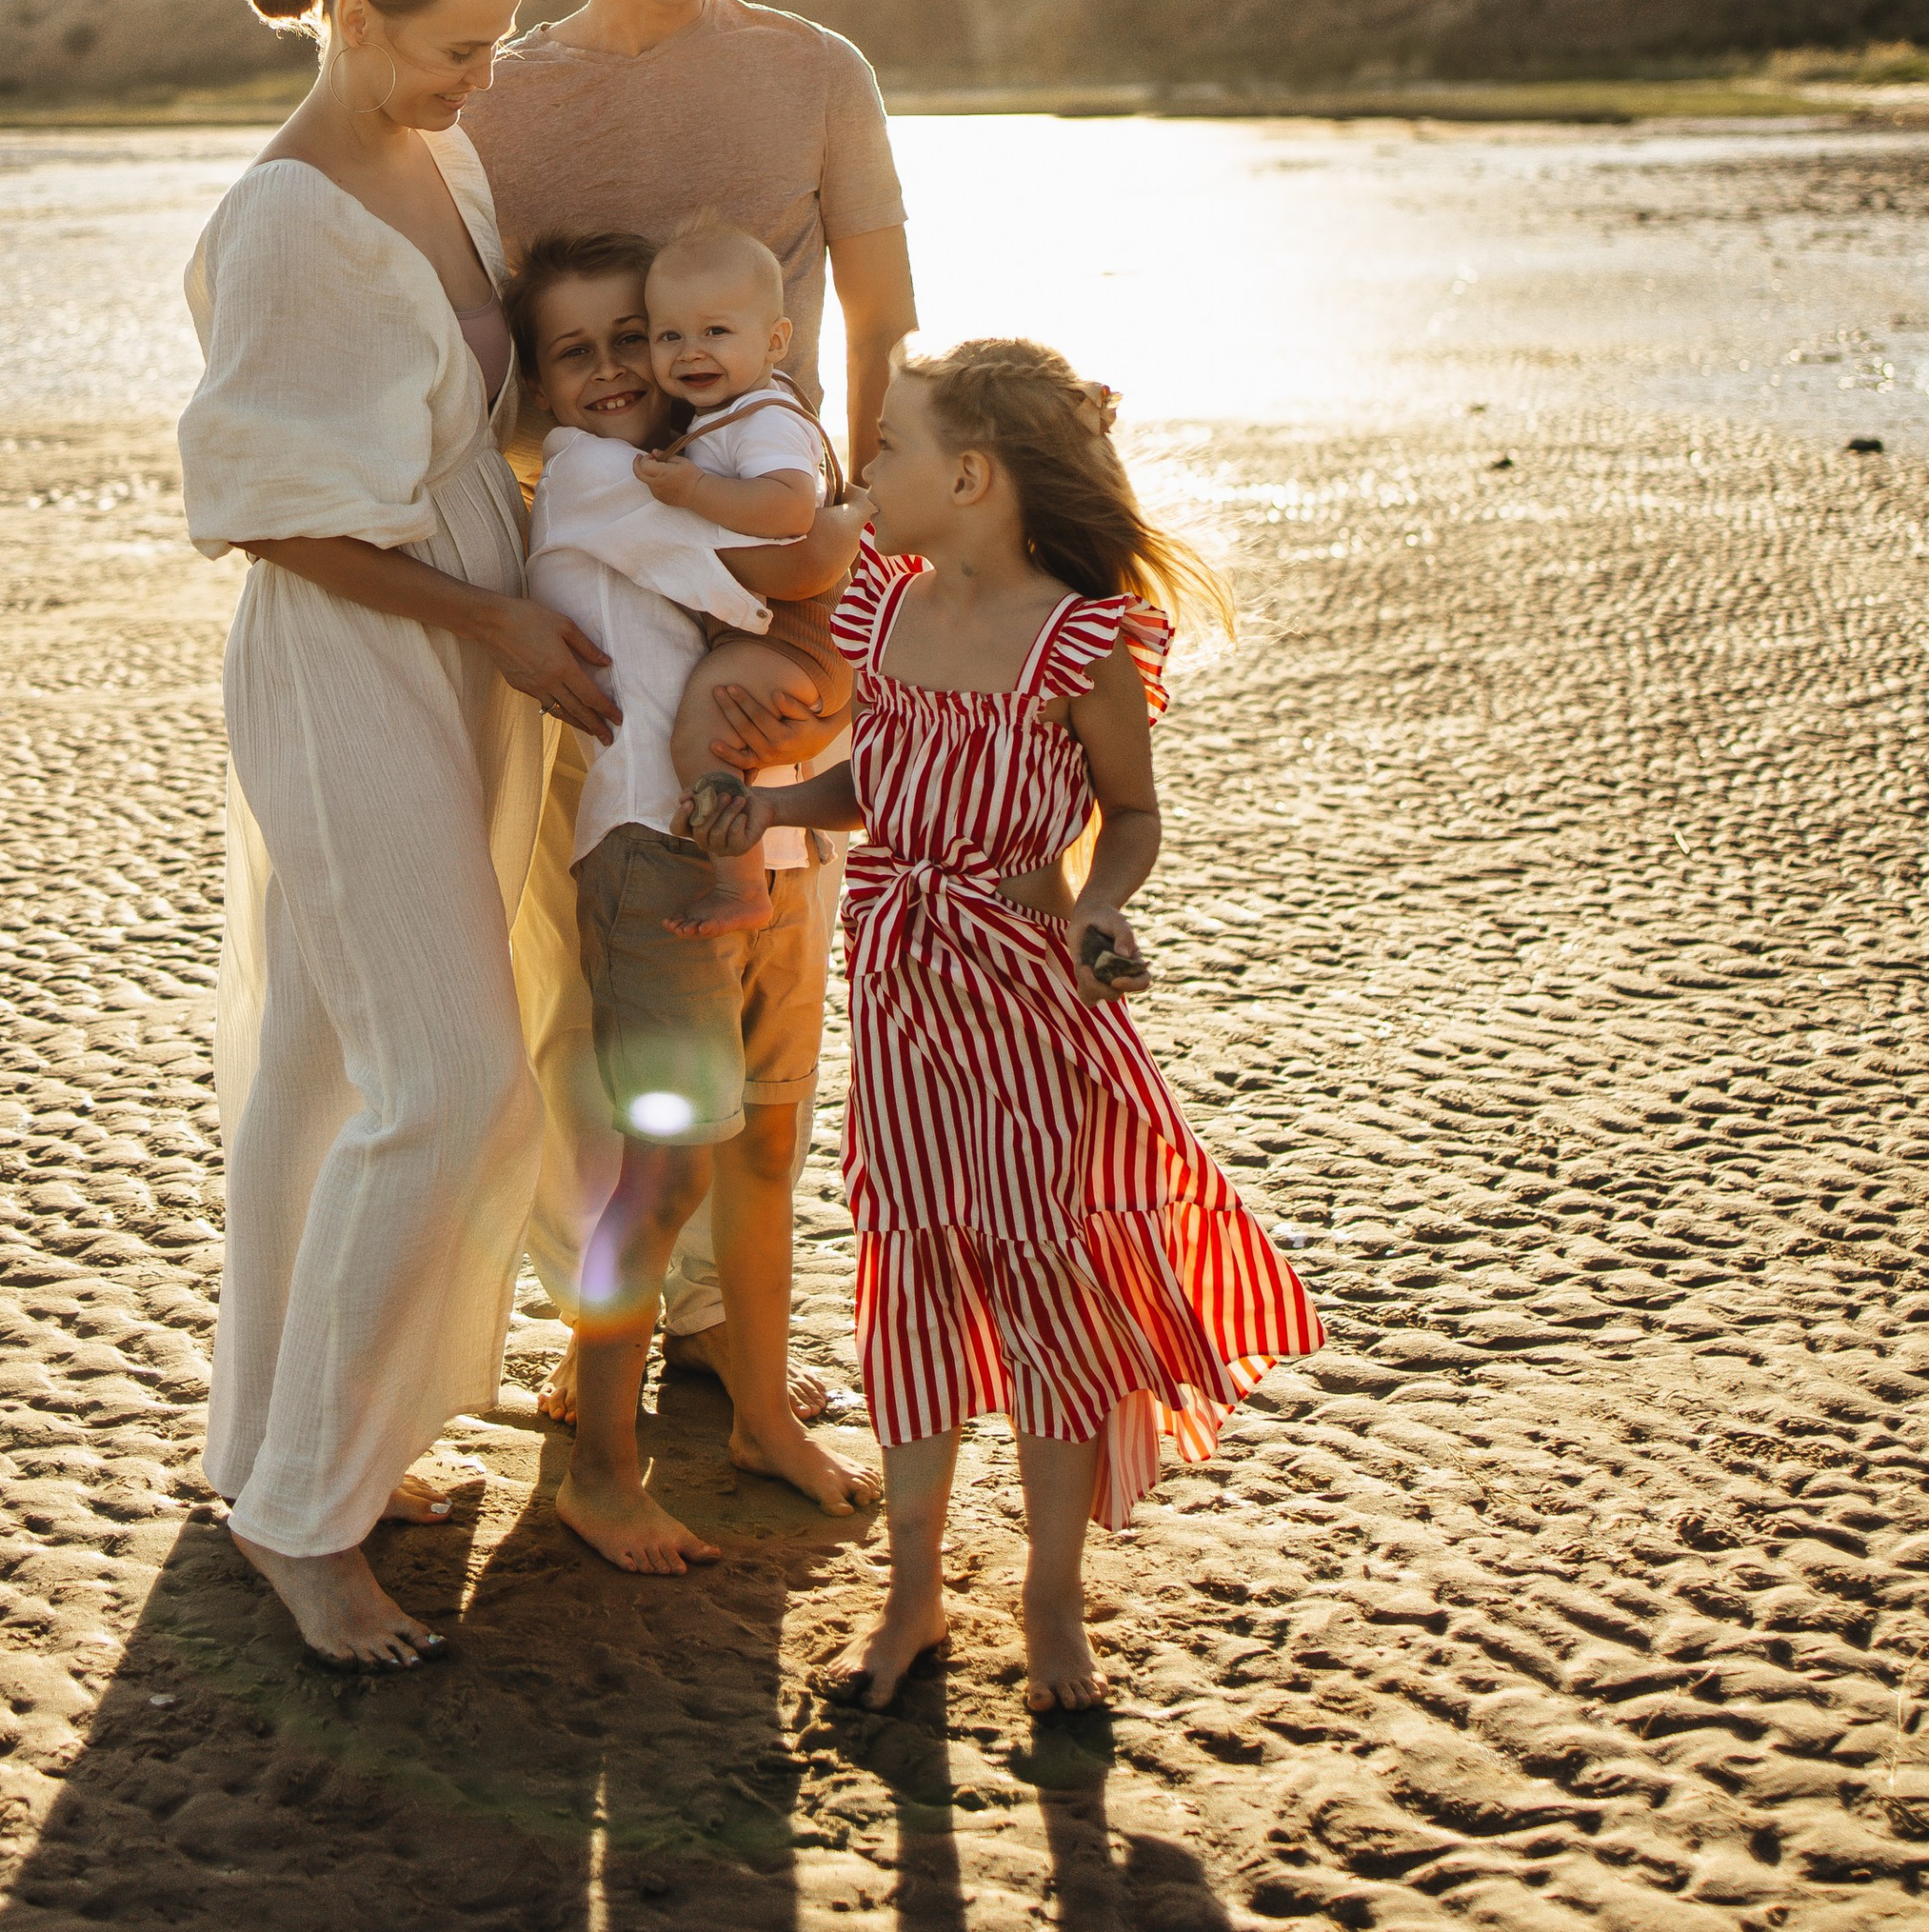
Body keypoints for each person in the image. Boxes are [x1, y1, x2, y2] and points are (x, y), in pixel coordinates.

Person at [687, 339, 1324, 1712]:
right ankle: (914, 1593)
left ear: (970, 478)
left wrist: (1101, 906)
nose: (870, 476)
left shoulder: (1080, 638)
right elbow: (882, 778)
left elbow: (1133, 813)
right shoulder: (882, 606)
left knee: (1044, 1283)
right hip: (905, 984)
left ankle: (1048, 1600)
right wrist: (781, 808)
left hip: (1031, 998)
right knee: (911, 1273)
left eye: (894, 452)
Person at [178, 0, 617, 1670]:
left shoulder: (443, 162)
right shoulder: (286, 219)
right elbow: (265, 516)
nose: (478, 80)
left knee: (321, 1067)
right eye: (452, 48)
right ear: (349, 23)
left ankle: (277, 1446)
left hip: (462, 637)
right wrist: (495, 623)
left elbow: (472, 408)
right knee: (450, 1084)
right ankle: (301, 1519)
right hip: (363, 655)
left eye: (498, 44)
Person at [466, 0, 915, 1405]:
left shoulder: (813, 71)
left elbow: (882, 311)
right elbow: (465, 357)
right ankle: (610, 1348)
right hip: (588, 574)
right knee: (596, 967)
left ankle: (731, 1341)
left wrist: (852, 553)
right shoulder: (501, 101)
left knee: (766, 957)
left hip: (778, 576)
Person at [507, 230, 874, 1566]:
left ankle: (761, 1415)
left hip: (766, 840)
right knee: (661, 1173)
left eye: (631, 339)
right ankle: (602, 1473)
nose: (614, 371)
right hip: (654, 853)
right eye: (578, 350)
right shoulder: (600, 474)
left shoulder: (706, 454)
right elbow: (794, 575)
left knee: (765, 1147)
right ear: (537, 382)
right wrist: (841, 523)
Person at [633, 216, 853, 942]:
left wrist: (694, 492)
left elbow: (790, 507)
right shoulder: (733, 411)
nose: (691, 352)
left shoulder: (762, 421)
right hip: (788, 631)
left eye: (716, 333)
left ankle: (741, 884)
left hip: (796, 631)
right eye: (670, 337)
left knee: (703, 731)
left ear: (776, 343)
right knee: (721, 733)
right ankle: (738, 848)